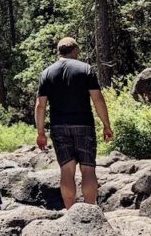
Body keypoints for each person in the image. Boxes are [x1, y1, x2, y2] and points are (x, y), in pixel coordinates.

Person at [34, 37, 113, 208]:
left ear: (59, 52)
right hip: (84, 124)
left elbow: (40, 106)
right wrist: (106, 125)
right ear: (75, 50)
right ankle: (90, 211)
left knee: (67, 170)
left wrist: (41, 133)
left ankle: (71, 214)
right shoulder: (85, 69)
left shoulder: (47, 73)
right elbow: (97, 99)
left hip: (59, 126)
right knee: (88, 169)